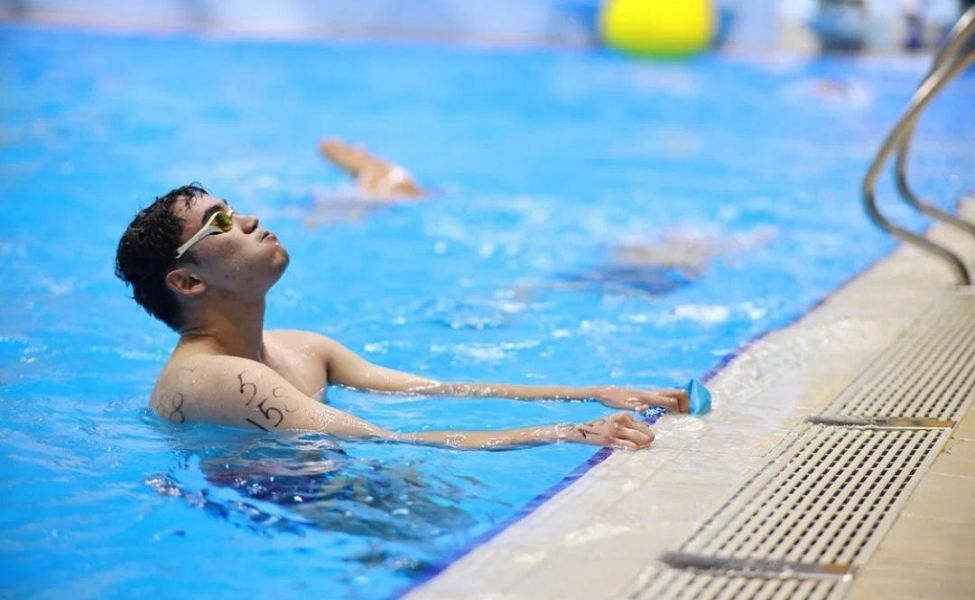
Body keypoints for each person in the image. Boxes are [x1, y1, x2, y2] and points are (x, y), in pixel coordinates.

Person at [115, 184, 689, 450]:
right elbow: (388, 439)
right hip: (275, 511)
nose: (249, 220)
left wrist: (592, 393)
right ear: (187, 282)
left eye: (235, 209)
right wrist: (562, 433)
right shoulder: (216, 377)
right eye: (219, 223)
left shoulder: (302, 347)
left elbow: (439, 390)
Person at [319, 138, 426, 200]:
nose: (337, 162)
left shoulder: (371, 171)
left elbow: (375, 198)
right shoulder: (374, 164)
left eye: (336, 156)